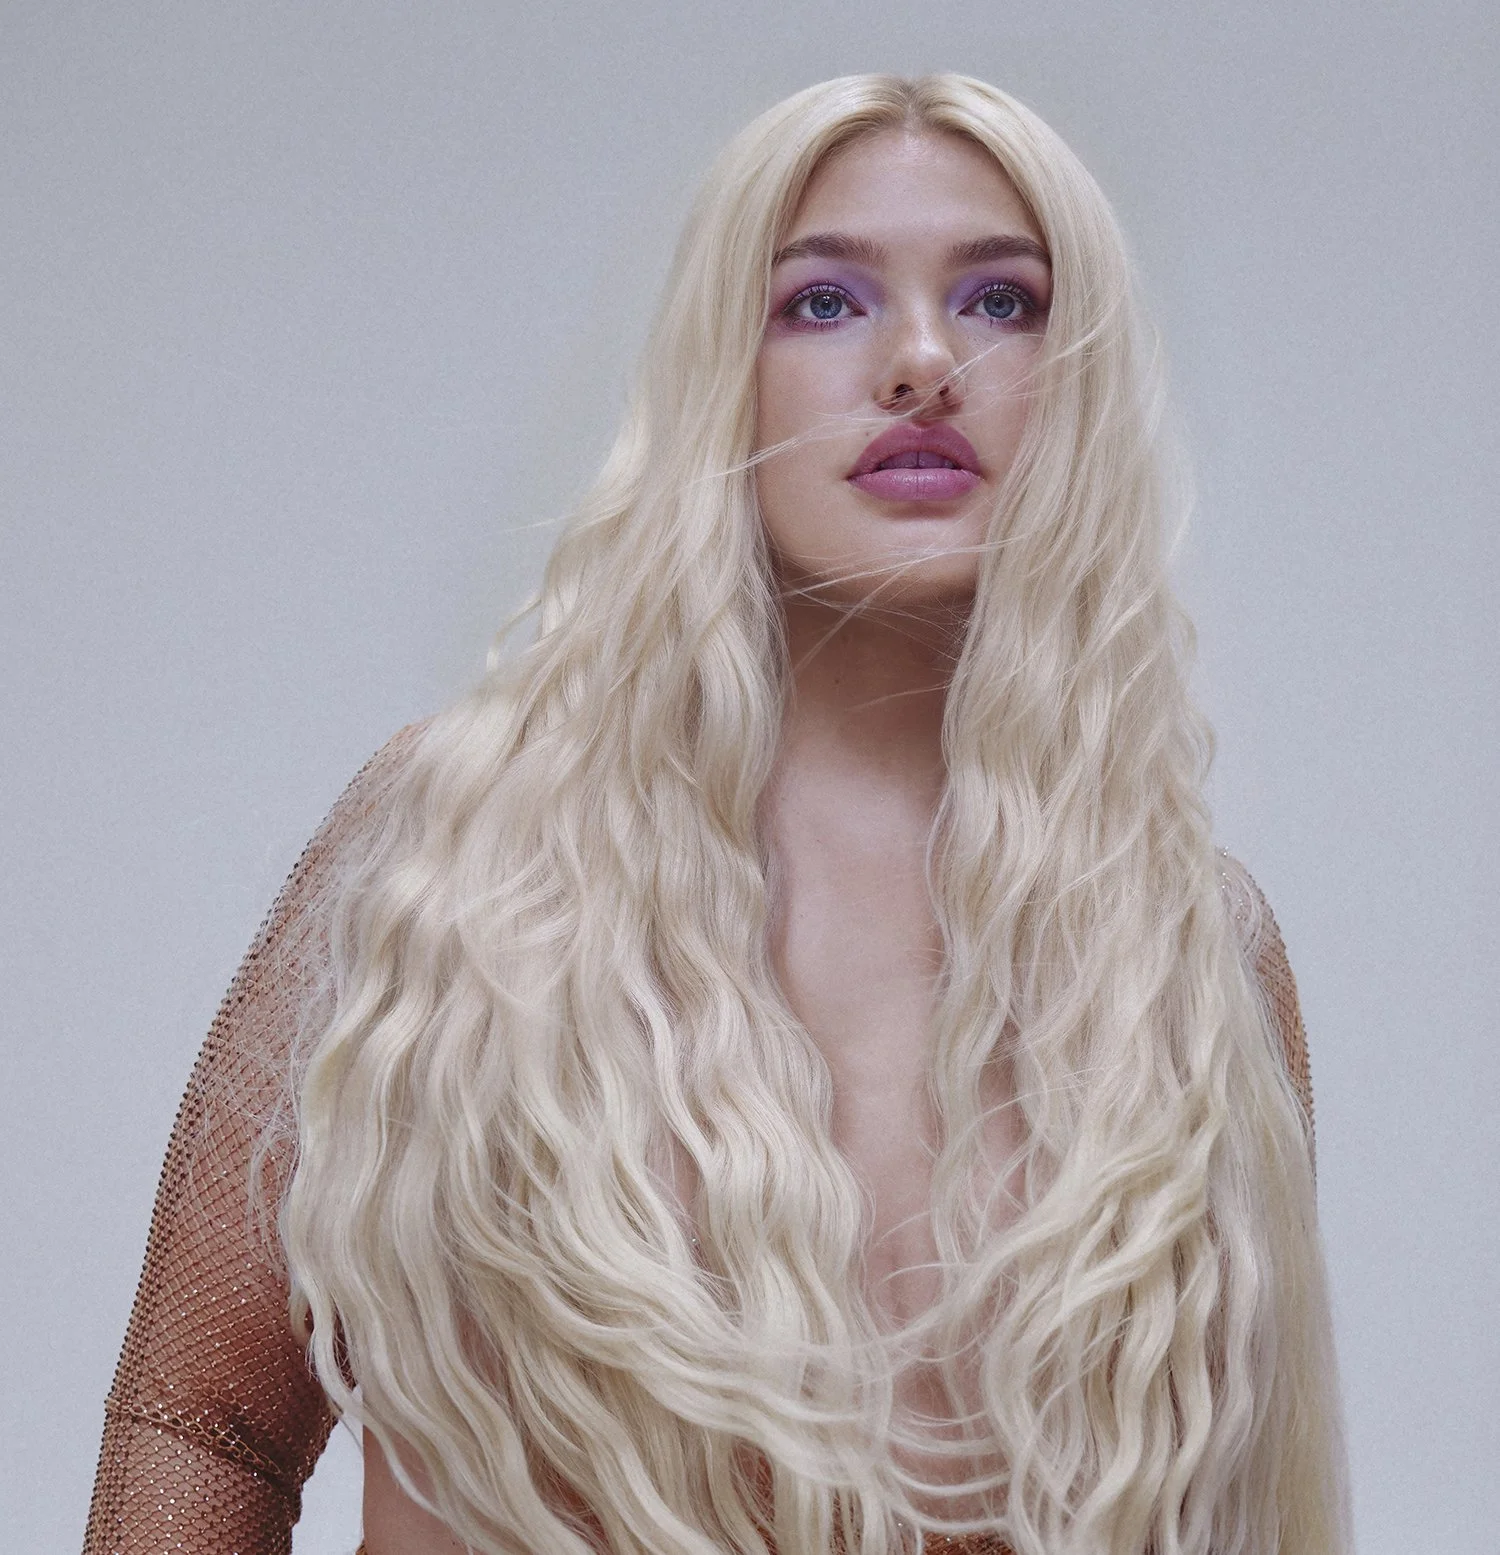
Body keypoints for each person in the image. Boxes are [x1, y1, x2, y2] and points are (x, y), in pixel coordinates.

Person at [82, 73, 1349, 1555]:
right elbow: (203, 1420)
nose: (924, 359)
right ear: (716, 375)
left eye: (1004, 302)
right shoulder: (452, 856)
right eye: (824, 303)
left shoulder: (1188, 957)